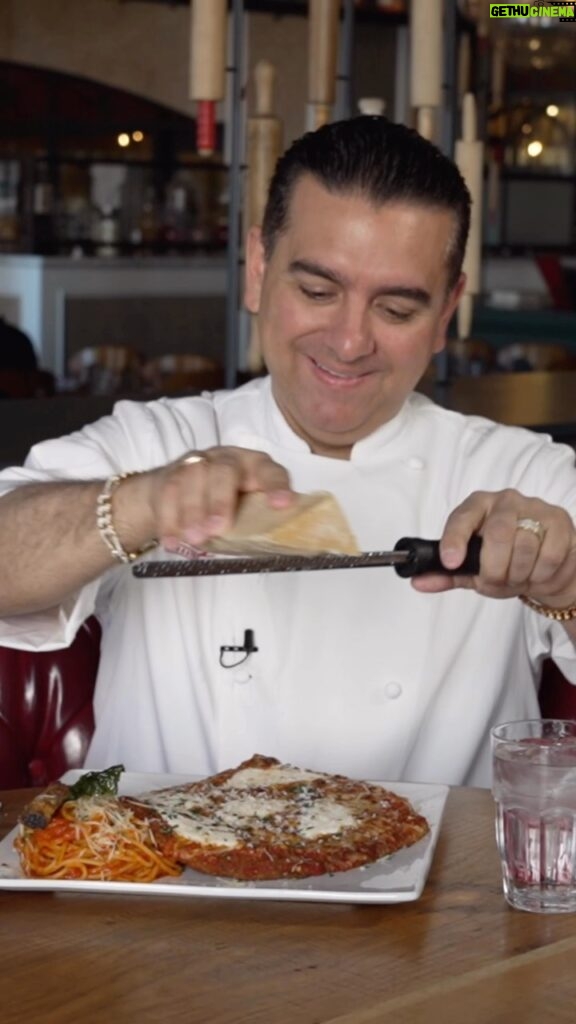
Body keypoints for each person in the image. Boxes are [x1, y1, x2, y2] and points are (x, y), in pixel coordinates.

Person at [0, 116, 575, 787]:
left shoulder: (522, 477)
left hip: (439, 887)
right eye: (316, 291)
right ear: (257, 270)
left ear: (447, 315)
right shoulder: (156, 443)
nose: (350, 340)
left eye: (396, 310)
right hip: (157, 885)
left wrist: (565, 587)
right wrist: (139, 503)